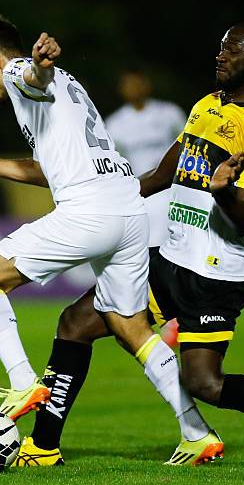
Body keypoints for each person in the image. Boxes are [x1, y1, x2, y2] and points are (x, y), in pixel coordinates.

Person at [24, 22, 244, 469]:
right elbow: (161, 174)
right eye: (221, 48)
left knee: (205, 384)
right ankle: (41, 449)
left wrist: (222, 189)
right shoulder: (206, 106)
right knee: (76, 322)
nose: (222, 55)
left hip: (214, 273)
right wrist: (107, 195)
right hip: (168, 260)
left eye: (234, 49)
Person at [0, 15, 220, 465]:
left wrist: (36, 65)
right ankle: (197, 432)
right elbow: (50, 170)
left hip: (90, 211)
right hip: (127, 208)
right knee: (131, 327)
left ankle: (24, 382)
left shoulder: (18, 73)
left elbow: (29, 75)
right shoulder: (68, 88)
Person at [106, 67, 186, 344]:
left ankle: (175, 315)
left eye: (137, 82)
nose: (133, 88)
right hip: (141, 196)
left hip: (172, 194)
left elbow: (190, 146)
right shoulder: (115, 124)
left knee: (171, 254)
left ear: (146, 84)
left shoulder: (169, 114)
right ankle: (164, 315)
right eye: (128, 84)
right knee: (147, 256)